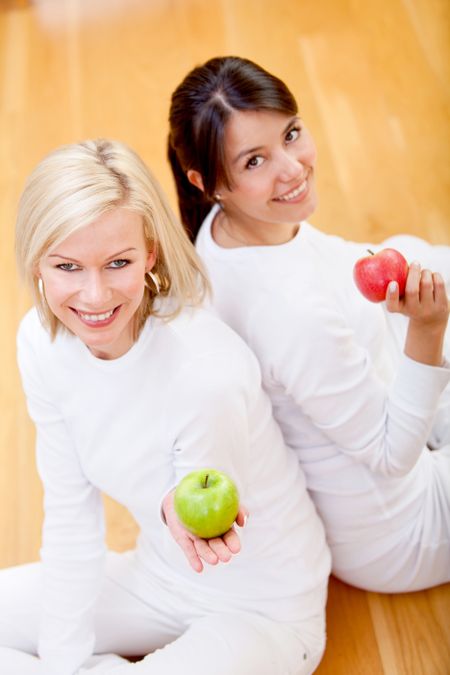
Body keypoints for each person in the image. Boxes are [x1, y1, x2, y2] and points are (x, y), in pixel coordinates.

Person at [2, 139, 331, 674]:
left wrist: (170, 506)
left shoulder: (205, 372)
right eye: (66, 266)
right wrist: (62, 661)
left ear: (149, 253)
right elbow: (70, 518)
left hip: (263, 610)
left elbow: (206, 519)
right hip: (158, 578)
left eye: (117, 263)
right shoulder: (42, 344)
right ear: (37, 260)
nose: (93, 297)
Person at [167, 55, 450, 594]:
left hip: (379, 421)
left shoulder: (227, 229)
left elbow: (329, 262)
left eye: (291, 134)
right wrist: (428, 331)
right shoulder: (292, 314)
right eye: (254, 161)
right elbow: (391, 457)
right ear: (207, 181)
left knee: (412, 251)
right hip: (403, 527)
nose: (292, 168)